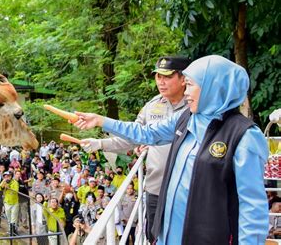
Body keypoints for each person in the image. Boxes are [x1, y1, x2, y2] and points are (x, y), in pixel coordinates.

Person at [72, 55, 269, 244]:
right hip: (169, 231)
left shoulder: (244, 136)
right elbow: (146, 133)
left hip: (207, 236)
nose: (186, 92)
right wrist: (101, 121)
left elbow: (252, 209)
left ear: (213, 88)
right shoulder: (186, 118)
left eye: (191, 85)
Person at [81, 56, 190, 243]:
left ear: (183, 78)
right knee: (155, 236)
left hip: (188, 187)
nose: (161, 82)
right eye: (157, 77)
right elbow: (134, 136)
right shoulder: (151, 106)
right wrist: (100, 144)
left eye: (167, 76)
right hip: (156, 186)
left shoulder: (195, 105)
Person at [0, 171, 20, 236]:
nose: (6, 177)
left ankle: (12, 232)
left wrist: (9, 188)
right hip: (7, 202)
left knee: (14, 218)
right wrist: (2, 186)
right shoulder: (3, 181)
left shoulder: (15, 182)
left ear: (11, 176)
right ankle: (12, 230)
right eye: (5, 176)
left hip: (14, 202)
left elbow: (16, 191)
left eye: (8, 176)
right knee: (9, 218)